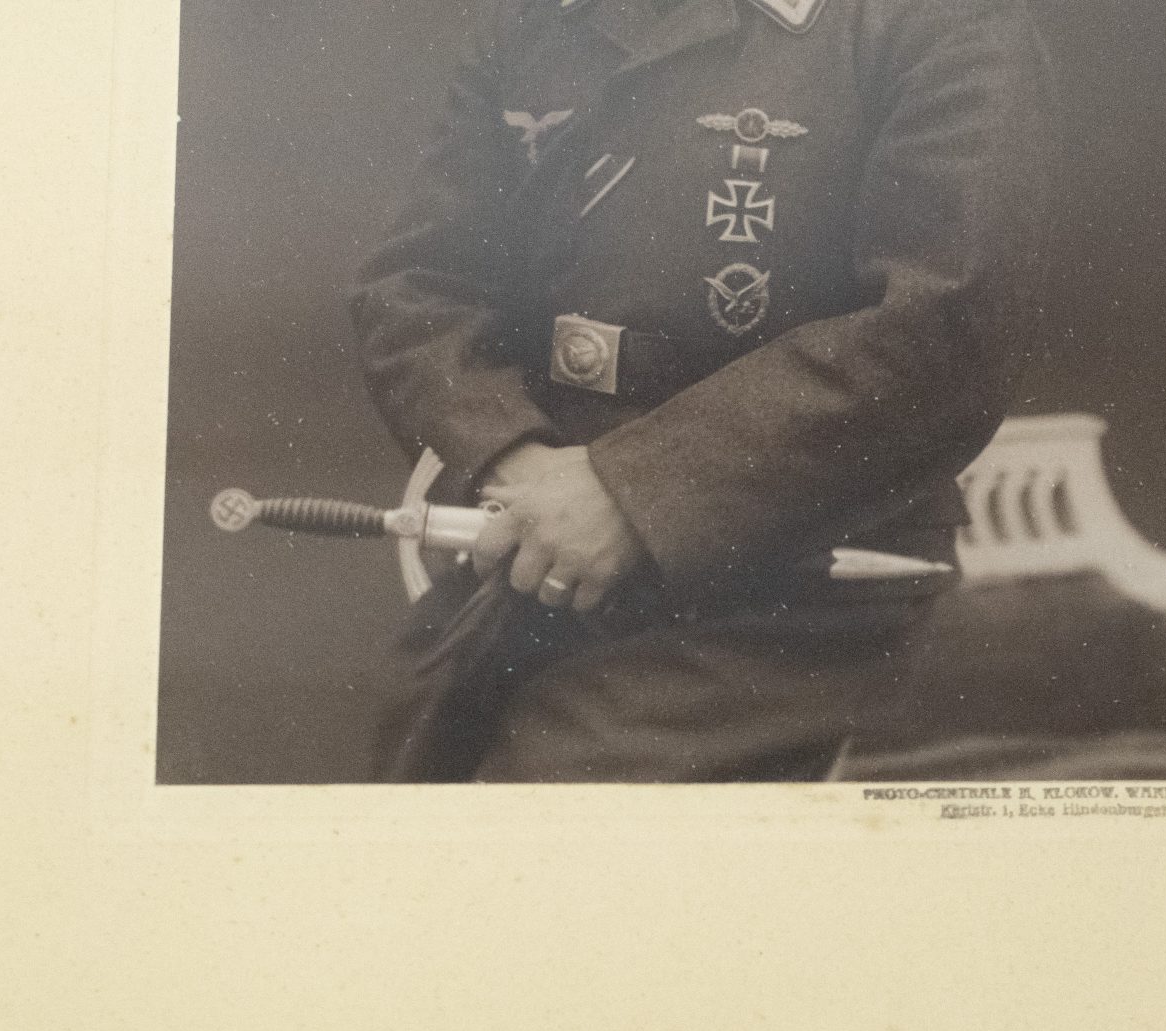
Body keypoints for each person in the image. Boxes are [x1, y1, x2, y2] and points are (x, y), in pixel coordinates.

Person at [348, 0, 1059, 782]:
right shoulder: (536, 21)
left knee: (547, 817)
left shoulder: (939, 23)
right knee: (406, 787)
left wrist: (632, 490)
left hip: (790, 586)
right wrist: (511, 459)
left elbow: (941, 331)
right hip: (533, 558)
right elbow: (416, 286)